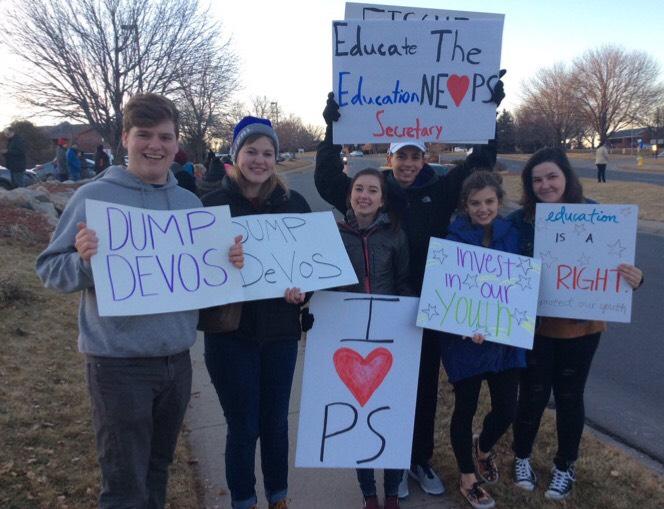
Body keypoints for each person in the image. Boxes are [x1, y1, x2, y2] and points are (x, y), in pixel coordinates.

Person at [35, 93, 244, 508]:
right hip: (118, 365)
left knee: (157, 470)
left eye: (164, 137)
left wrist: (229, 260)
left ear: (176, 141)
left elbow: (201, 273)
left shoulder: (188, 204)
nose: (155, 145)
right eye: (144, 135)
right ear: (125, 139)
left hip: (176, 361)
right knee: (124, 484)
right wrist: (85, 262)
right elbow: (49, 270)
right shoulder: (94, 198)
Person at [315, 93, 502, 499]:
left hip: (430, 306)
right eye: (402, 156)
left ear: (424, 157)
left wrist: (489, 112)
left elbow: (479, 162)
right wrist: (332, 127)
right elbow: (327, 180)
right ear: (391, 157)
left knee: (422, 391)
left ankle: (418, 458)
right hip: (382, 306)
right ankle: (387, 461)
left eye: (416, 156)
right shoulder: (374, 190)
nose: (409, 164)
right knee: (384, 388)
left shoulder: (442, 188)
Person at [508, 147, 643, 501]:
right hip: (535, 326)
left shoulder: (597, 216)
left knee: (570, 397)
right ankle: (521, 457)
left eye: (551, 176)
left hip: (582, 328)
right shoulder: (520, 221)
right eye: (536, 180)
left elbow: (622, 267)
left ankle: (564, 466)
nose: (545, 185)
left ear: (566, 177)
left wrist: (636, 278)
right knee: (533, 397)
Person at [201, 116, 310, 509]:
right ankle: (243, 500)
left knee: (276, 424)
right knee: (243, 427)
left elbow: (308, 265)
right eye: (252, 151)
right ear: (236, 154)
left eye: (268, 153)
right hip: (230, 336)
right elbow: (194, 273)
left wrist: (303, 291)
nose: (260, 160)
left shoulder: (293, 204)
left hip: (280, 334)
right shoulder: (210, 206)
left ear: (276, 159)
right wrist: (221, 261)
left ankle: (278, 497)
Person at [441, 171, 526, 509]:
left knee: (507, 408)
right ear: (465, 205)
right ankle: (467, 477)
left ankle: (484, 447)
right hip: (466, 342)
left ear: (499, 202)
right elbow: (447, 295)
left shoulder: (513, 235)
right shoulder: (453, 241)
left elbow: (520, 284)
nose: (482, 208)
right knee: (465, 408)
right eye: (475, 203)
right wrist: (465, 324)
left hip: (504, 340)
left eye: (489, 201)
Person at [334, 167, 411, 509]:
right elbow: (324, 284)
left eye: (373, 191)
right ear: (350, 194)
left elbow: (404, 281)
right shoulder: (334, 234)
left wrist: (404, 321)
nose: (365, 195)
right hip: (348, 337)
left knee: (390, 414)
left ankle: (392, 490)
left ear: (382, 199)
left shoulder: (395, 234)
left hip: (388, 336)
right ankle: (368, 493)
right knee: (357, 414)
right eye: (359, 189)